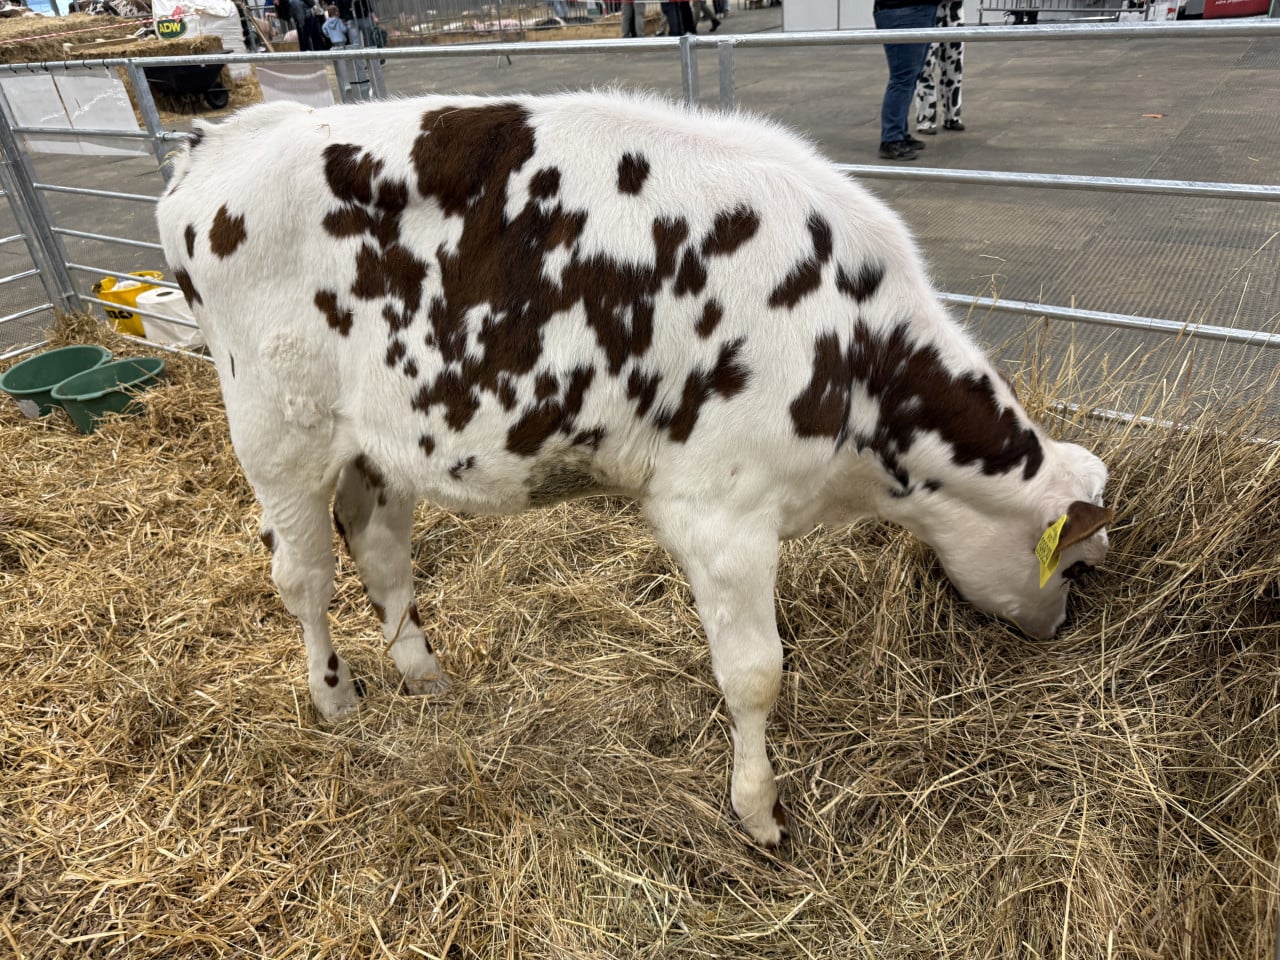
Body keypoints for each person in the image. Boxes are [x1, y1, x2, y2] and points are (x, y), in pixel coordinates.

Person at [873, 0, 936, 161]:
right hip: (904, 10)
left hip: (914, 10)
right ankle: (891, 139)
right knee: (902, 78)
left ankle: (900, 132)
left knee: (910, 77)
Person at [913, 0, 964, 136]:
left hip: (954, 8)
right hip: (929, 8)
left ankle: (952, 116)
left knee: (955, 65)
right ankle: (925, 119)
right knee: (926, 67)